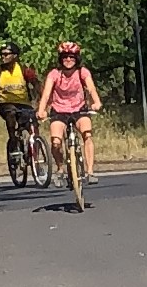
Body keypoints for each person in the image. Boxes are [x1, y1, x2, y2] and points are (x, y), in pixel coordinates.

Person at [36, 41, 102, 187]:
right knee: (55, 142)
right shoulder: (54, 74)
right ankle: (60, 169)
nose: (68, 60)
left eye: (71, 57)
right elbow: (46, 95)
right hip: (59, 111)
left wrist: (96, 102)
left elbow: (91, 89)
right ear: (60, 59)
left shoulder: (82, 72)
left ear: (77, 58)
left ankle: (90, 172)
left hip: (79, 110)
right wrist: (41, 110)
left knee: (87, 135)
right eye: (65, 57)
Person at [0, 41, 40, 163]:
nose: (3, 57)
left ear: (15, 56)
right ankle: (13, 142)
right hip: (5, 104)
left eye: (6, 54)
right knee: (10, 113)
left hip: (24, 104)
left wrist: (40, 102)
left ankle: (35, 157)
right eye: (2, 54)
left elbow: (37, 84)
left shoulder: (23, 69)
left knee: (33, 126)